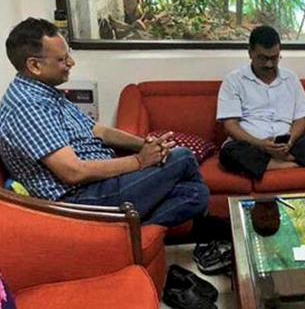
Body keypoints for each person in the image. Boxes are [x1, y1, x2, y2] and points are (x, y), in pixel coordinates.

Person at [0, 17, 210, 228]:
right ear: (35, 65)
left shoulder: (47, 93)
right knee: (182, 157)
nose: (71, 63)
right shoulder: (26, 106)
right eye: (62, 59)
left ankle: (132, 233)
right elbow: (73, 172)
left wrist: (146, 145)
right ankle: (123, 238)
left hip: (99, 184)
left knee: (196, 194)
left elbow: (98, 130)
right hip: (79, 199)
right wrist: (139, 161)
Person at [217, 25, 305, 180]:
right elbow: (230, 125)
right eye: (263, 58)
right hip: (253, 145)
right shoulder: (234, 80)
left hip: (288, 145)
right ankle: (292, 163)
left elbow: (300, 118)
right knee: (228, 153)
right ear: (250, 53)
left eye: (274, 58)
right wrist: (261, 144)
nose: (269, 64)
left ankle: (276, 162)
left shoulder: (291, 78)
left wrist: (290, 141)